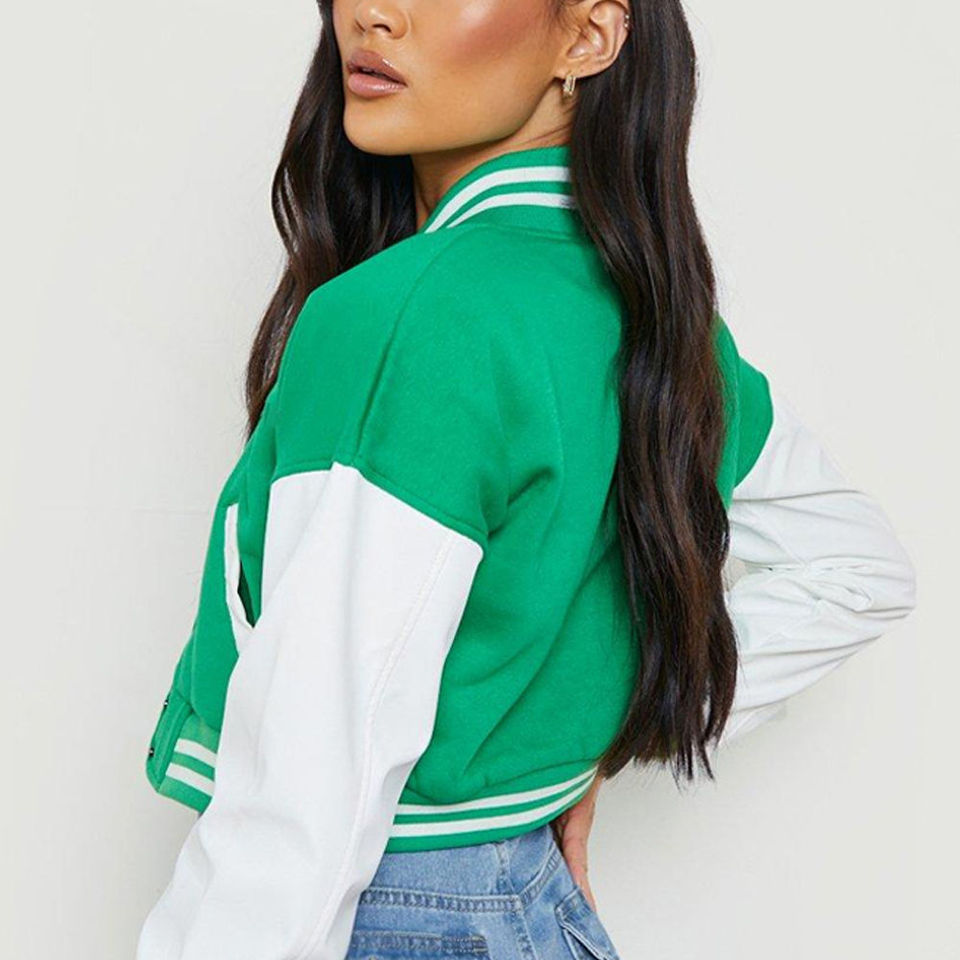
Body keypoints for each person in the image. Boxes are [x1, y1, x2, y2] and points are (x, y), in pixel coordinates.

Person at [135, 1, 918, 958]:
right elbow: (856, 569)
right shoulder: (651, 317)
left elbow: (306, 786)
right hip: (533, 913)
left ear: (587, 36)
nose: (371, 14)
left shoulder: (408, 314)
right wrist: (580, 736)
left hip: (387, 917)